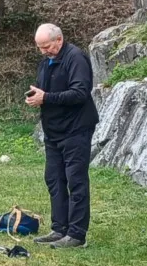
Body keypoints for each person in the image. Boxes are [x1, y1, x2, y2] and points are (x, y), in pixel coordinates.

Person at [25, 23, 99, 249]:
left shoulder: (75, 58)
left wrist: (46, 98)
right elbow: (45, 91)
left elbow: (80, 93)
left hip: (76, 129)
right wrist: (36, 96)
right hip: (54, 132)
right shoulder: (46, 62)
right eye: (40, 47)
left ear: (59, 39)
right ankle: (59, 229)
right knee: (54, 179)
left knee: (75, 180)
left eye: (47, 46)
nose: (43, 51)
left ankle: (76, 234)